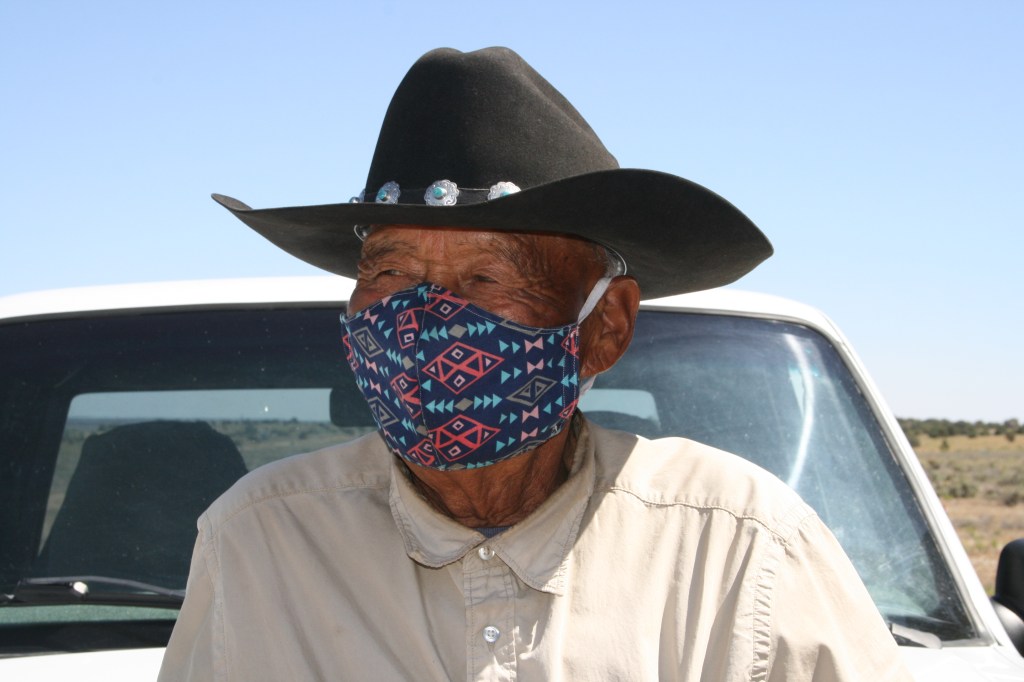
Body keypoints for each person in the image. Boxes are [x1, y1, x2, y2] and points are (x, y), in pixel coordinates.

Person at [159, 47, 910, 681]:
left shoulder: (742, 553)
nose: (422, 322)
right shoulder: (258, 543)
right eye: (388, 275)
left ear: (604, 327)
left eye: (488, 279)